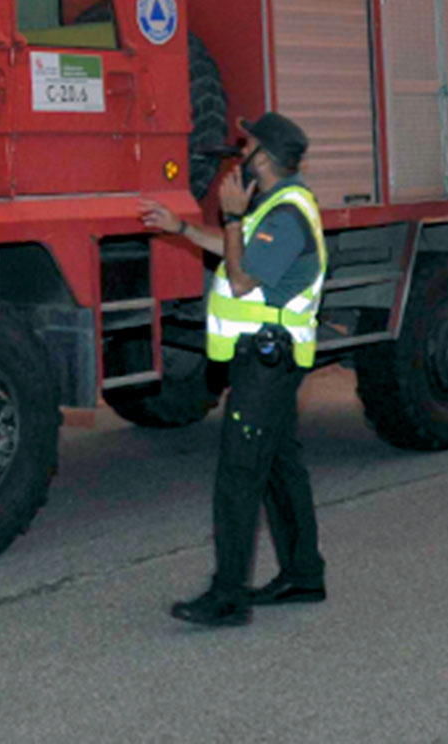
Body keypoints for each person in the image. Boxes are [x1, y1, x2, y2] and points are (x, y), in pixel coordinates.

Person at [139, 111, 328, 627]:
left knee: (239, 475)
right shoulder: (275, 206)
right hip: (267, 360)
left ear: (265, 157)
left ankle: (228, 597)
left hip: (267, 362)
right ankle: (303, 574)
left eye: (247, 146)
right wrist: (181, 227)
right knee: (280, 465)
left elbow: (243, 279)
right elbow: (235, 252)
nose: (239, 154)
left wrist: (230, 217)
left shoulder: (286, 216)